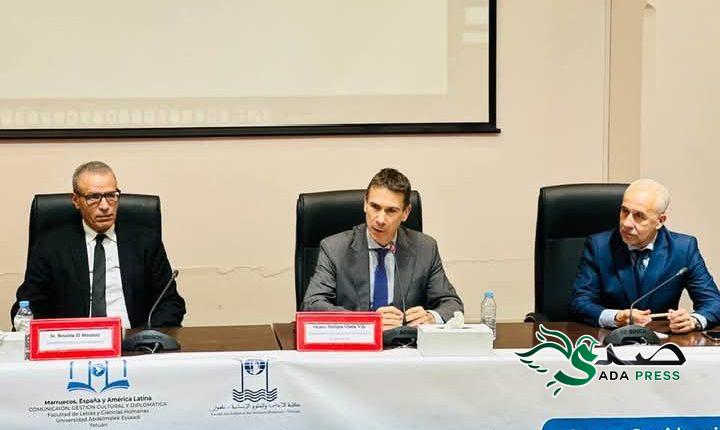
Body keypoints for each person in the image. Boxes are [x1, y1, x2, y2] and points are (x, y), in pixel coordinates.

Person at [11, 161, 185, 328]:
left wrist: (143, 337)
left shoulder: (145, 241)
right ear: (76, 200)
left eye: (111, 196)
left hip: (133, 339)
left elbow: (170, 303)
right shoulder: (51, 245)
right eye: (94, 197)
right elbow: (27, 305)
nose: (105, 206)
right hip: (74, 340)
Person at [302, 168, 463, 330]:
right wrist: (367, 321)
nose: (380, 219)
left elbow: (452, 305)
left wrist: (432, 317)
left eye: (391, 211)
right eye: (375, 207)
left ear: (406, 212)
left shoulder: (425, 248)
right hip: (355, 341)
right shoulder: (335, 249)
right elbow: (312, 304)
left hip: (405, 342)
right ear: (365, 204)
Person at [569, 179, 720, 333]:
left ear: (660, 221)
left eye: (639, 216)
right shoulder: (599, 246)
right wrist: (615, 317)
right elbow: (579, 302)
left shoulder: (683, 248)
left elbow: (713, 302)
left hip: (661, 338)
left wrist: (694, 320)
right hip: (610, 338)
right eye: (625, 211)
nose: (627, 223)